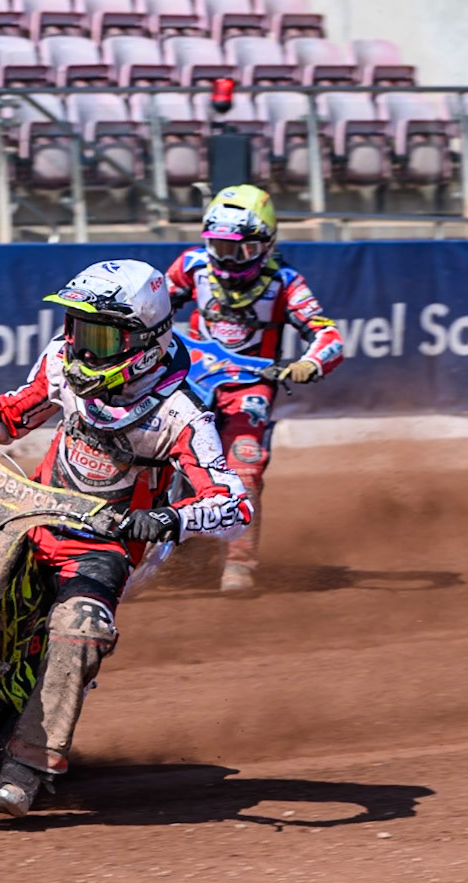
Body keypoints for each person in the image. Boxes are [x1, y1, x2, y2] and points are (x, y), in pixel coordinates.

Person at [0, 260, 251, 817]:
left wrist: (169, 520)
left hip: (107, 545)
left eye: (98, 335)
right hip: (30, 515)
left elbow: (234, 503)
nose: (81, 347)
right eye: (76, 328)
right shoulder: (63, 364)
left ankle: (31, 760)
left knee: (77, 628)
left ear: (142, 340)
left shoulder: (179, 413)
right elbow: (15, 412)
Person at [166, 184, 344, 594]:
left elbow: (327, 334)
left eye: (239, 250)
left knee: (243, 466)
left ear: (264, 244)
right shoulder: (193, 266)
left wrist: (309, 363)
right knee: (141, 445)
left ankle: (239, 564)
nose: (226, 260)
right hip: (190, 379)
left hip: (249, 389)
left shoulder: (285, 284)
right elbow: (150, 304)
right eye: (219, 247)